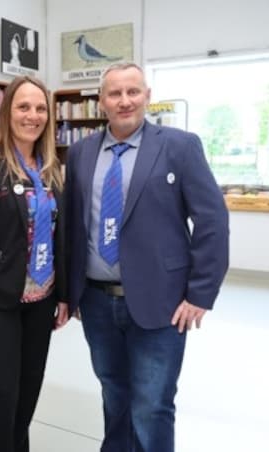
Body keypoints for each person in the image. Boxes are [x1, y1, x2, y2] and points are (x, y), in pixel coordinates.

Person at [65, 62, 229, 452]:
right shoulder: (80, 153)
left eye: (133, 92)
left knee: (152, 405)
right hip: (96, 301)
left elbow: (212, 220)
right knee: (113, 395)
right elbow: (72, 225)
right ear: (101, 101)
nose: (124, 101)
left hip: (162, 301)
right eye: (115, 94)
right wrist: (70, 291)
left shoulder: (180, 146)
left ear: (147, 96)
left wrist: (200, 294)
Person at [0, 75, 69, 452]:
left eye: (40, 108)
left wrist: (64, 295)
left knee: (27, 395)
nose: (32, 116)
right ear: (7, 112)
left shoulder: (53, 168)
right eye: (23, 107)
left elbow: (60, 236)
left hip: (41, 302)